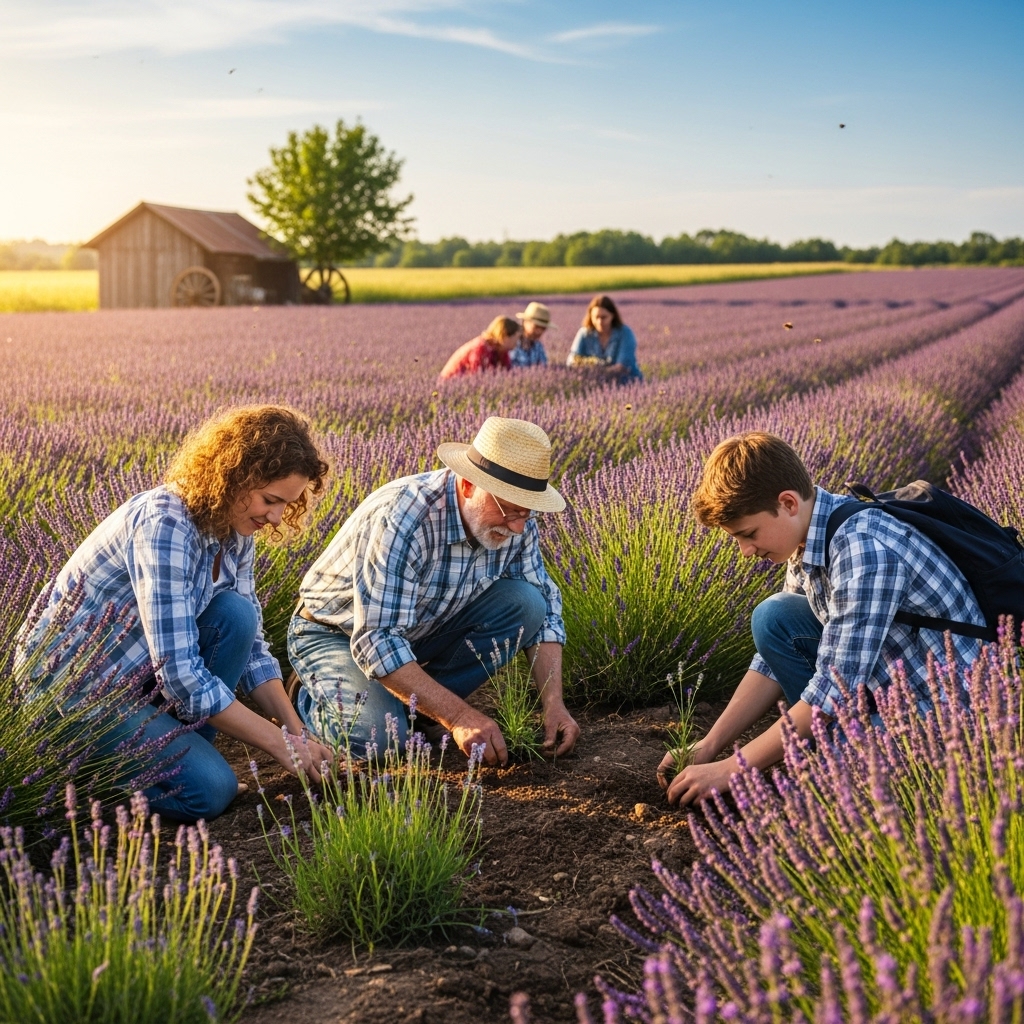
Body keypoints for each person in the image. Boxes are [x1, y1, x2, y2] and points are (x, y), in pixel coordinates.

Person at [16, 405, 335, 823]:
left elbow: (252, 647)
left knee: (237, 615)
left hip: (137, 676)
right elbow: (181, 673)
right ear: (234, 476)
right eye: (270, 500)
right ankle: (74, 776)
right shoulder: (165, 524)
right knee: (210, 793)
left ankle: (176, 754)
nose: (275, 517)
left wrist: (297, 731)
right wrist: (279, 745)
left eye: (286, 505)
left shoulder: (236, 527)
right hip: (80, 691)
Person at [659, 431, 985, 807]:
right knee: (774, 615)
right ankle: (826, 746)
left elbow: (833, 689)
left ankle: (838, 753)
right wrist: (709, 745)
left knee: (843, 771)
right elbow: (770, 661)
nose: (745, 551)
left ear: (788, 503)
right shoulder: (810, 536)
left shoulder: (863, 549)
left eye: (748, 534)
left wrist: (734, 767)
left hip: (945, 717)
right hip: (888, 686)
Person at [287, 416, 581, 766]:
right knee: (377, 741)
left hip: (417, 630)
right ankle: (308, 696)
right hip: (335, 632)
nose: (517, 526)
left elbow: (544, 611)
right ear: (469, 484)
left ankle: (414, 708)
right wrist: (459, 716)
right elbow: (377, 640)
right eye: (508, 510)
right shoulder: (404, 517)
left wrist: (554, 704)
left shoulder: (513, 523)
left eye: (527, 513)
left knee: (526, 603)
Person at [566, 295, 642, 383]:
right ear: (590, 316)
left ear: (612, 316)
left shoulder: (625, 333)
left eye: (604, 317)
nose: (600, 322)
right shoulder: (584, 334)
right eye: (596, 317)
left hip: (626, 382)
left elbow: (622, 366)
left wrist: (594, 370)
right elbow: (572, 360)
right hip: (594, 383)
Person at [438, 315, 521, 380]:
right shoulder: (480, 348)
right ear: (504, 336)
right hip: (451, 384)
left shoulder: (502, 351)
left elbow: (506, 372)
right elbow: (477, 377)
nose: (517, 342)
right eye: (516, 338)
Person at [510, 301, 551, 368]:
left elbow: (544, 367)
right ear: (524, 322)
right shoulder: (511, 342)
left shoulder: (538, 346)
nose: (539, 332)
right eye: (536, 327)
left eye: (543, 328)